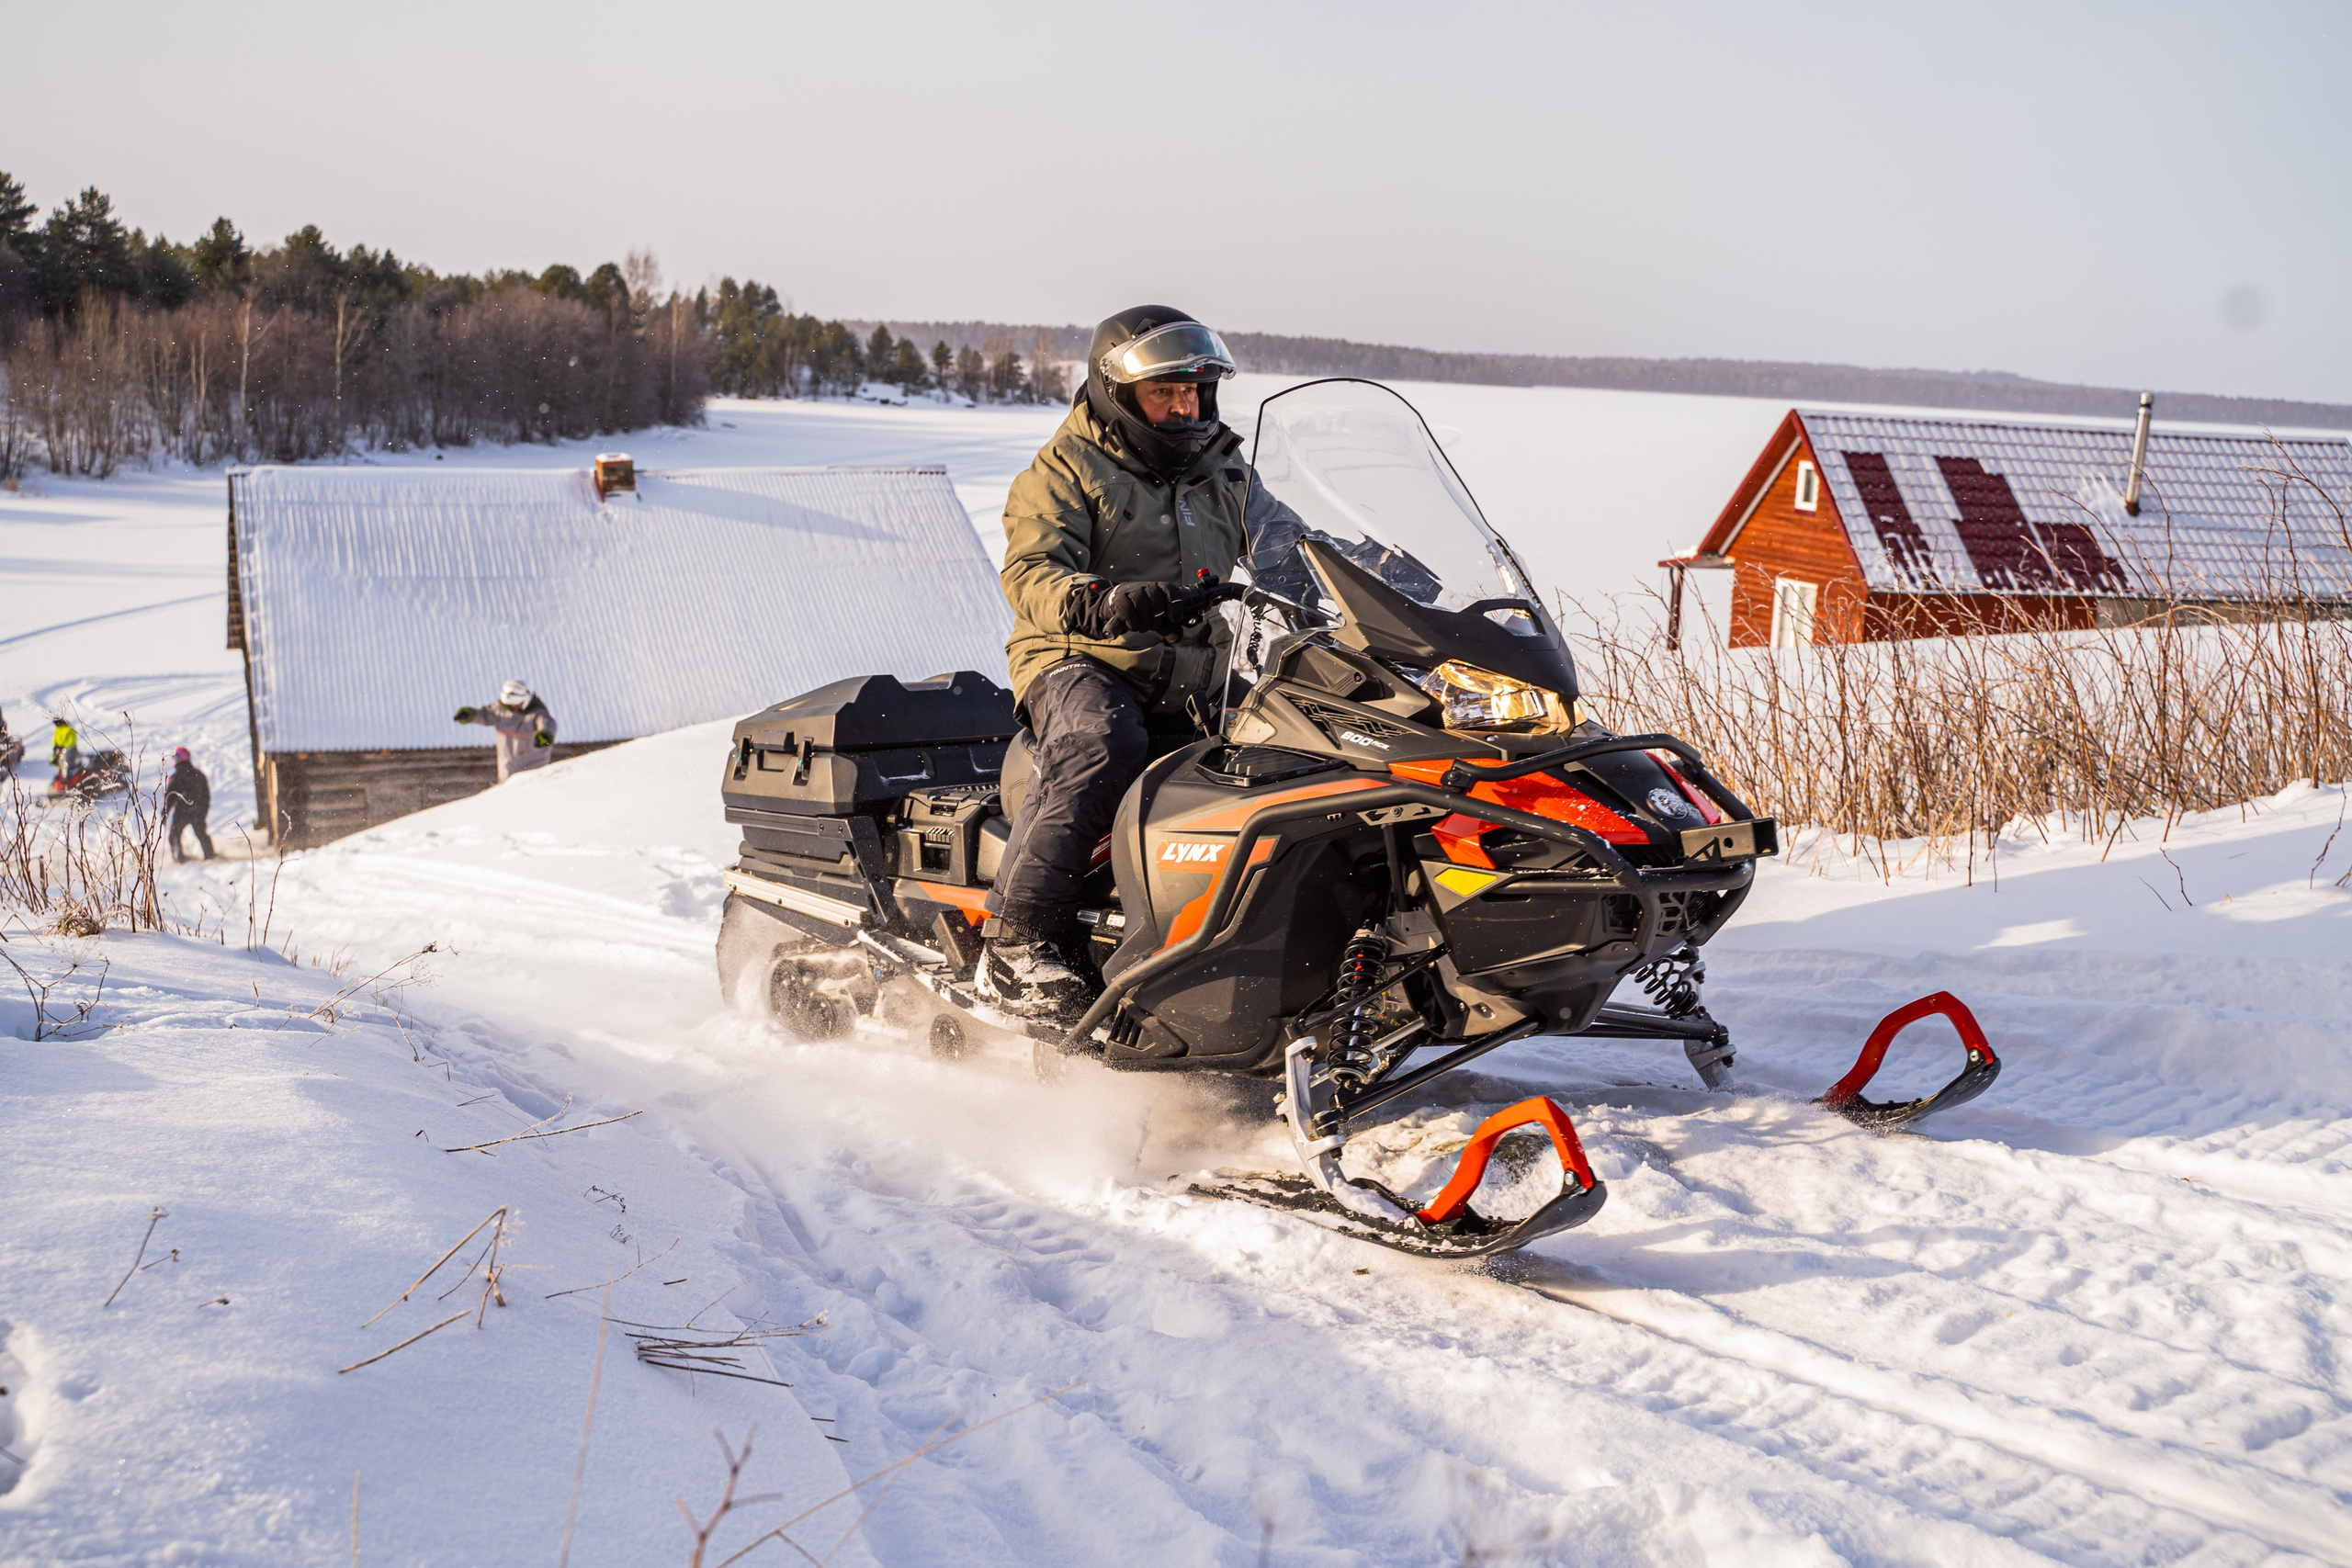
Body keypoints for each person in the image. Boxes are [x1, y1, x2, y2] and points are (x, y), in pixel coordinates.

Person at [980, 305, 1298, 1020]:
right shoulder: (1065, 467)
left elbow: (1287, 544)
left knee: (1296, 743)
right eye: (1166, 393)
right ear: (1118, 395)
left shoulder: (1222, 467)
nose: (1186, 408)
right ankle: (1016, 939)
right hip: (1079, 655)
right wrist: (1101, 600)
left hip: (1192, 668)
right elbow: (1031, 571)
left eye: (1195, 391)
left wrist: (1370, 574)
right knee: (1101, 739)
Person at [454, 679, 558, 782]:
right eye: (508, 704)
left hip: (533, 776)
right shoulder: (501, 711)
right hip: (506, 775)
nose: (511, 707)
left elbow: (547, 725)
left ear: (525, 699)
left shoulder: (537, 714)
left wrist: (544, 736)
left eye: (515, 704)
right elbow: (486, 714)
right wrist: (471, 715)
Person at [165, 747, 215, 863]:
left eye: (176, 758)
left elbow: (169, 797)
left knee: (174, 835)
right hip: (197, 812)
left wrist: (165, 812)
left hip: (182, 813)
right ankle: (211, 857)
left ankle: (179, 860)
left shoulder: (175, 777)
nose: (175, 760)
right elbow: (206, 796)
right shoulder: (199, 774)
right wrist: (203, 811)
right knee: (201, 834)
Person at [50, 716, 79, 780]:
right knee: (57, 760)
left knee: (67, 761)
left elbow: (72, 741)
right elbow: (55, 739)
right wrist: (55, 747)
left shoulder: (69, 728)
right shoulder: (57, 729)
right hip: (60, 750)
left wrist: (63, 748)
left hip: (69, 749)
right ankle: (61, 774)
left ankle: (68, 776)